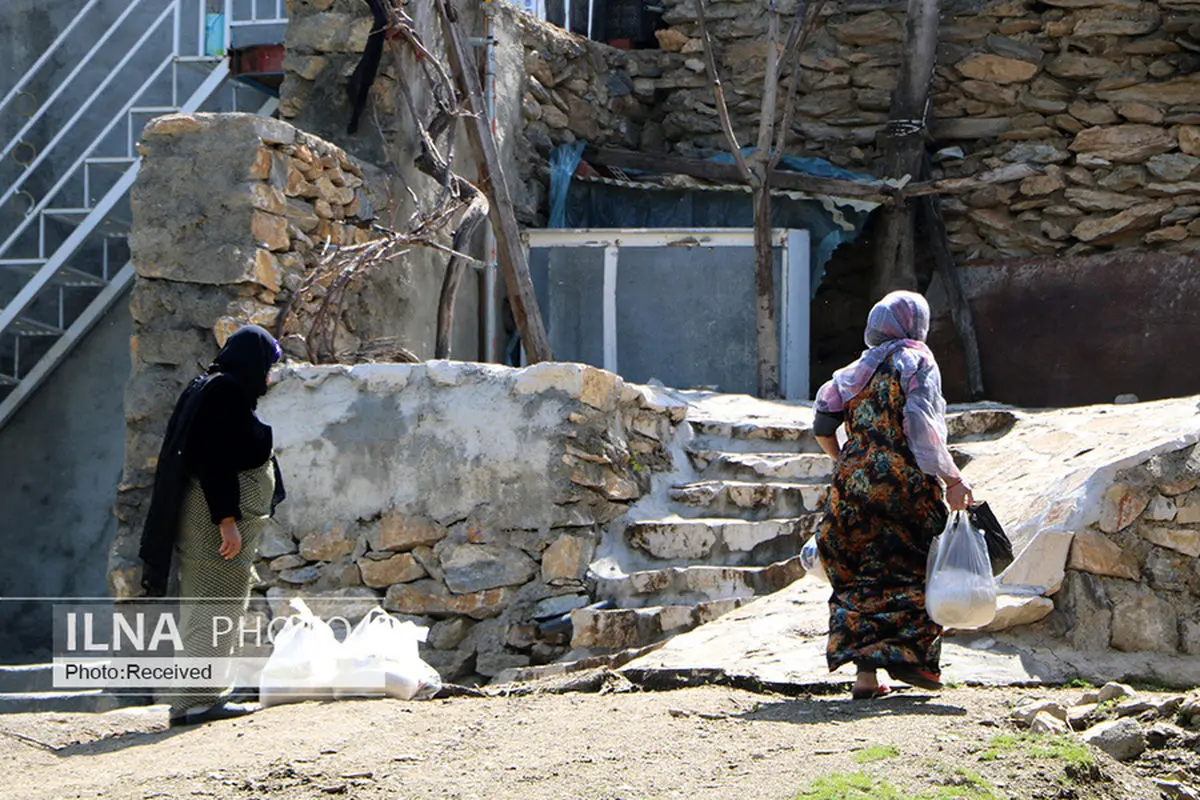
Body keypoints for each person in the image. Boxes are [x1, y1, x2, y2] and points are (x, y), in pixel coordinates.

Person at [811, 291, 972, 700]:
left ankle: (866, 678)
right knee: (916, 567)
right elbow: (921, 425)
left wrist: (847, 459)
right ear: (916, 324)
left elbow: (822, 424)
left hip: (852, 488)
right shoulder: (917, 361)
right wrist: (951, 479)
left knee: (860, 572)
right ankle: (915, 665)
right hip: (904, 485)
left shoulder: (851, 372)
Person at [139, 325, 286, 727]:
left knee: (207, 605)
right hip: (212, 521)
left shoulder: (212, 387)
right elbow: (215, 462)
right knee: (214, 607)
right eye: (269, 367)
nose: (270, 376)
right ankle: (198, 701)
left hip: (209, 516)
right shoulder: (224, 393)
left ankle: (197, 697)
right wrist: (227, 522)